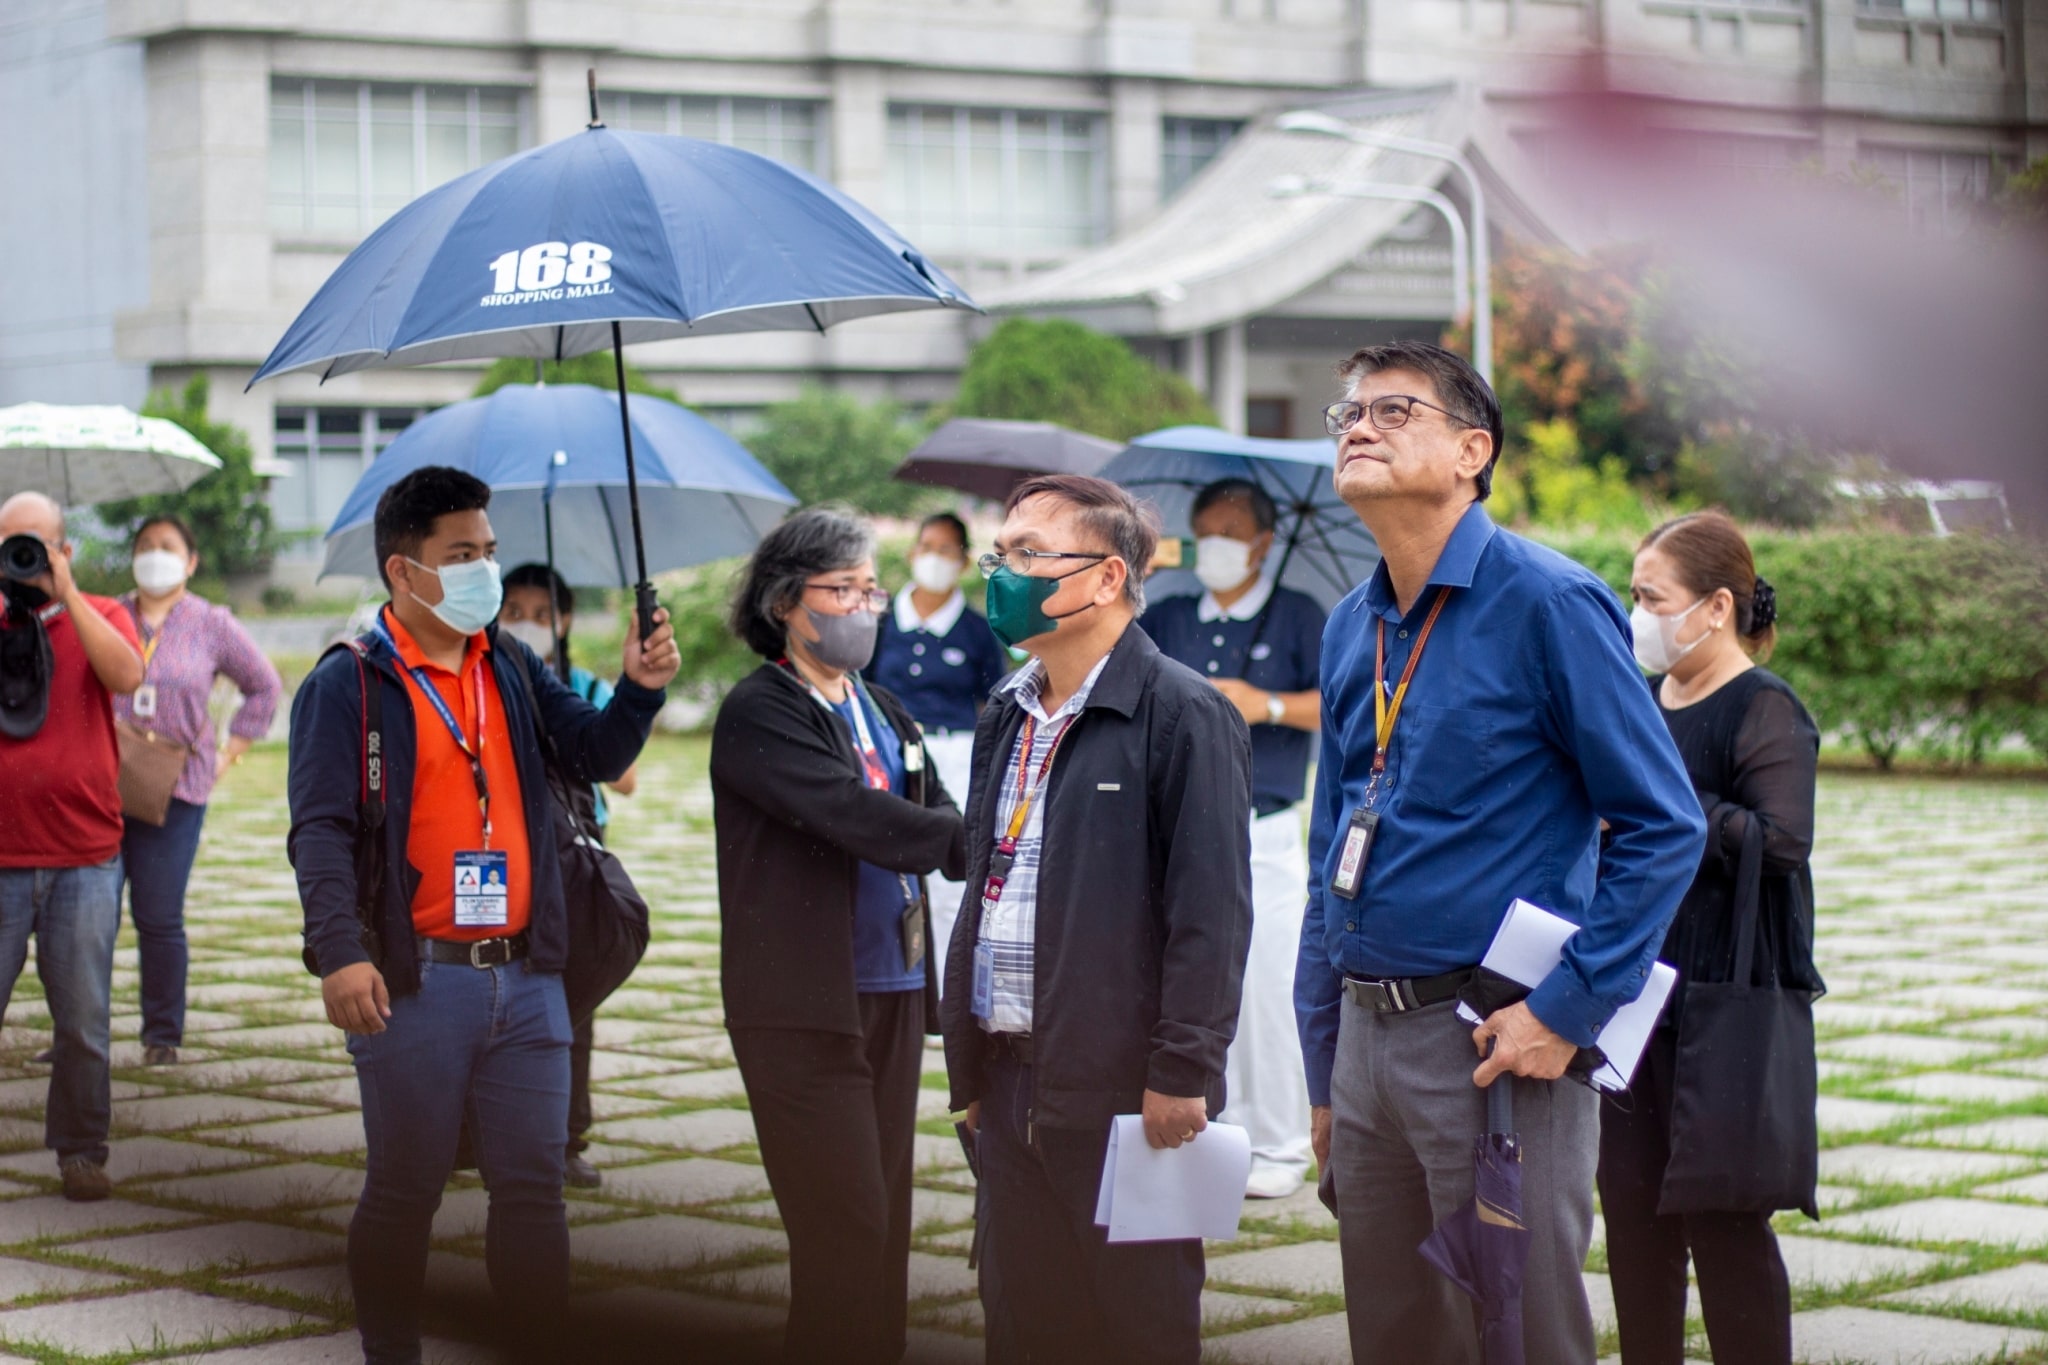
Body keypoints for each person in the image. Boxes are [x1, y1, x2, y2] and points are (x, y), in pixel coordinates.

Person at [1295, 341, 1705, 1364]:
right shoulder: (1353, 625)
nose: (1356, 426)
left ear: (1471, 450)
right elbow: (1326, 850)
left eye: (1392, 411)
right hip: (1364, 1039)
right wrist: (1320, 1063)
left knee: (1515, 1331)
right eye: (1345, 413)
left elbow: (1662, 824)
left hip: (1492, 1040)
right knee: (1390, 1330)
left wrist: (1566, 1011)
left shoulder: (1548, 603)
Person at [288, 466, 677, 1365]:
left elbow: (595, 749)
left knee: (536, 1188)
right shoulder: (350, 683)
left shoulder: (507, 660)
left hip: (529, 976)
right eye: (460, 556)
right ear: (402, 572)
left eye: (488, 553)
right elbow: (319, 831)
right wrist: (340, 953)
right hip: (416, 981)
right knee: (405, 1189)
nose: (484, 574)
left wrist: (640, 687)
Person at [941, 474, 1253, 1365]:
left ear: (1107, 577)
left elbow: (1213, 911)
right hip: (1004, 1082)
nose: (1005, 572)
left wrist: (1183, 1068)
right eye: (1001, 553)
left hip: (1124, 1097)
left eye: (1030, 555)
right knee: (1025, 1325)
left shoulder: (1184, 712)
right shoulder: (1010, 707)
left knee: (1135, 1328)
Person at [710, 507, 965, 1365]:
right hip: (800, 1004)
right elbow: (848, 811)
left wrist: (974, 837)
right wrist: (967, 842)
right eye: (842, 589)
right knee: (843, 1221)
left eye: (870, 588)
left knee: (884, 1220)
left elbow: (930, 800)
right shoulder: (759, 711)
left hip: (890, 989)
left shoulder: (881, 706)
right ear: (788, 601)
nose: (864, 605)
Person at [1598, 510, 1821, 1365]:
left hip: (1726, 997)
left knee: (1723, 1219)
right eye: (1635, 594)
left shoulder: (1766, 707)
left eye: (1652, 596)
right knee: (1630, 1211)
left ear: (1716, 606)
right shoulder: (1643, 696)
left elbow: (1784, 840)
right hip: (1633, 989)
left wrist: (1664, 803)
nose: (1638, 614)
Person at [1140, 477, 1324, 1200]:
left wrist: (1266, 702)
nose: (1215, 542)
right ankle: (1209, 1124)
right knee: (1188, 979)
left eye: (1230, 529)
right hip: (1181, 824)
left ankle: (1278, 1139)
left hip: (1266, 823)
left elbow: (1342, 706)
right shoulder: (1172, 613)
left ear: (1264, 541)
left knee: (1269, 982)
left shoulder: (1299, 614)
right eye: (1204, 529)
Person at [0, 492, 144, 1203]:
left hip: (84, 854)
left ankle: (82, 1150)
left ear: (64, 549)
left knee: (83, 1019)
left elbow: (127, 675)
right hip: (2, 856)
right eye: (10, 545)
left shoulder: (104, 614)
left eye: (34, 545)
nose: (21, 558)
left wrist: (68, 596)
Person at [114, 515, 283, 1067]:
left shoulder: (211, 623)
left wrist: (230, 753)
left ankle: (162, 1034)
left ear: (190, 562)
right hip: (102, 783)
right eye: (144, 547)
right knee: (83, 919)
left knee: (158, 915)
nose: (153, 555)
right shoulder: (108, 615)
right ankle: (77, 1033)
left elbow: (264, 686)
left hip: (177, 787)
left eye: (166, 547)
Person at [497, 562, 639, 1191]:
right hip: (510, 846)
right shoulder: (493, 680)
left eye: (541, 613)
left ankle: (566, 1136)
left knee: (573, 993)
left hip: (578, 846)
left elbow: (624, 775)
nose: (528, 624)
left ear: (566, 619)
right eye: (515, 612)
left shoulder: (579, 684)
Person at [869, 511, 1012, 985]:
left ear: (965, 561)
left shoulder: (977, 630)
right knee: (885, 858)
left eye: (947, 550)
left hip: (953, 754)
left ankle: (948, 989)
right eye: (927, 546)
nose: (934, 558)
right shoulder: (882, 621)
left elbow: (999, 700)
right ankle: (892, 972)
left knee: (949, 865)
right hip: (890, 749)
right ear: (912, 552)